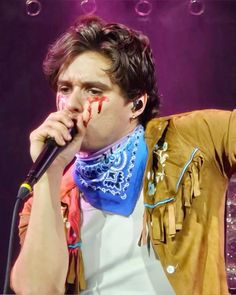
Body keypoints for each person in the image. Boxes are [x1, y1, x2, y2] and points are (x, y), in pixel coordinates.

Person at [11, 15, 235, 295]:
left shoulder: (197, 136)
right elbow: (36, 291)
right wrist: (50, 174)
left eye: (93, 90)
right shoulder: (48, 198)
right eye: (65, 89)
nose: (72, 105)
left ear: (137, 104)